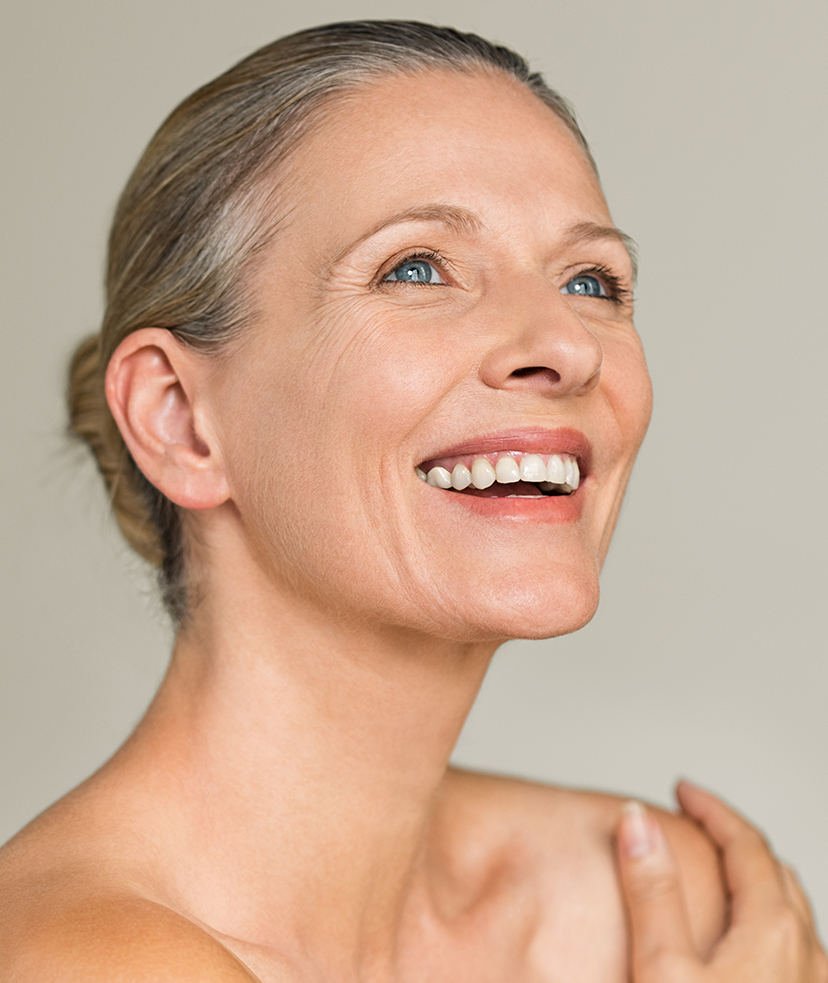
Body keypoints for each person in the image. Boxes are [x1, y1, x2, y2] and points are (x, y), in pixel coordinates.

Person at [0, 20, 824, 983]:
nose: (567, 343)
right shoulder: (90, 960)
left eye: (593, 280)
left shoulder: (657, 907)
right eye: (416, 268)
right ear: (180, 419)